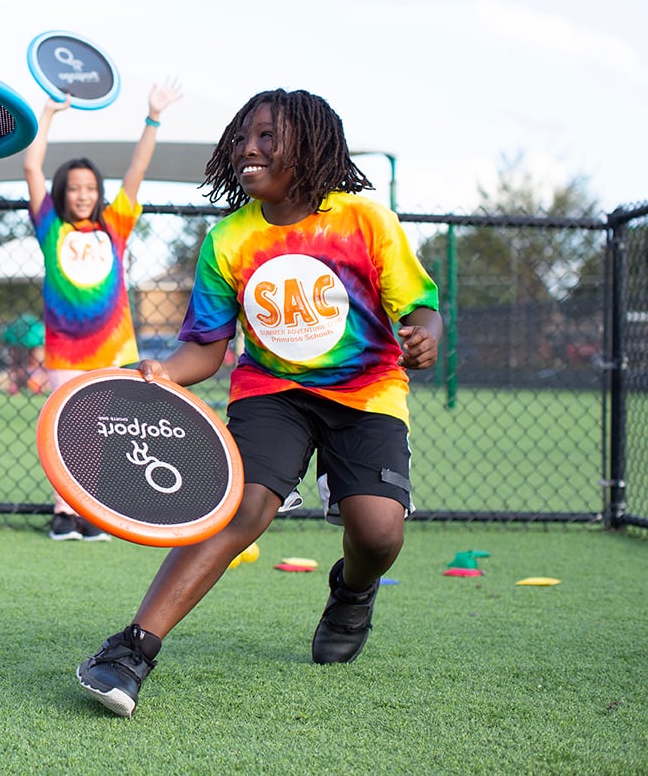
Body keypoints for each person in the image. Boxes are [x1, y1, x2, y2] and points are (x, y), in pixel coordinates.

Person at [75, 88, 442, 717]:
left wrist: (424, 337)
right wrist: (163, 371)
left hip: (367, 390)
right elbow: (205, 349)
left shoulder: (364, 220)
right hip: (272, 391)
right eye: (242, 137)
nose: (249, 147)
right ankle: (130, 650)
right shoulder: (228, 241)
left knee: (378, 532)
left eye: (268, 137)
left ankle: (353, 591)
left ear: (311, 144)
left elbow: (421, 307)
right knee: (240, 505)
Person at [24, 81, 183, 541]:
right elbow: (31, 164)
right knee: (65, 433)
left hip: (110, 348)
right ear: (62, 192)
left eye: (90, 188)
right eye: (74, 188)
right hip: (64, 352)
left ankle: (92, 511)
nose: (82, 195)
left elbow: (137, 169)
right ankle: (63, 513)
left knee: (101, 433)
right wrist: (48, 114)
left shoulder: (114, 226)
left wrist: (152, 116)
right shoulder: (49, 226)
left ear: (99, 193)